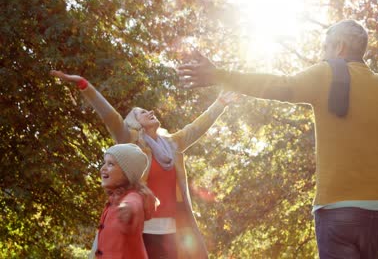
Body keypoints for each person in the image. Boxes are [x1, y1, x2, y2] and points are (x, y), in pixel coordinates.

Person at [177, 19, 378, 258]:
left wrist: (220, 75)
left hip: (335, 212)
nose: (322, 54)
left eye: (325, 47)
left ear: (339, 46)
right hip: (373, 213)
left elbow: (278, 86)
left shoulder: (326, 74)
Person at [51, 70, 238, 259]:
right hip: (139, 229)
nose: (150, 112)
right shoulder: (132, 143)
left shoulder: (172, 145)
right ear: (134, 123)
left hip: (171, 231)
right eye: (142, 112)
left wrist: (220, 103)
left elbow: (196, 127)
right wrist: (85, 85)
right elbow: (111, 117)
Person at [94, 143, 157, 258]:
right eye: (104, 163)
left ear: (126, 173)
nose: (103, 168)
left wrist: (128, 208)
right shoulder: (113, 200)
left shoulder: (133, 196)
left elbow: (134, 203)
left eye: (111, 164)